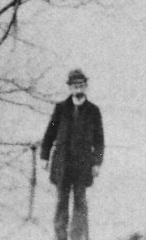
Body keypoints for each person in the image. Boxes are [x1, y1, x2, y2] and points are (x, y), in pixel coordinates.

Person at [40, 68, 105, 240]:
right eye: (75, 86)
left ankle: (76, 236)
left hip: (83, 163)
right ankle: (60, 236)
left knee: (80, 202)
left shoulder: (93, 111)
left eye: (81, 86)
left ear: (86, 87)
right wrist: (44, 156)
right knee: (61, 201)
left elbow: (99, 140)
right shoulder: (60, 109)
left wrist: (97, 163)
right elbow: (49, 134)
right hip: (63, 162)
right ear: (69, 88)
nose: (78, 89)